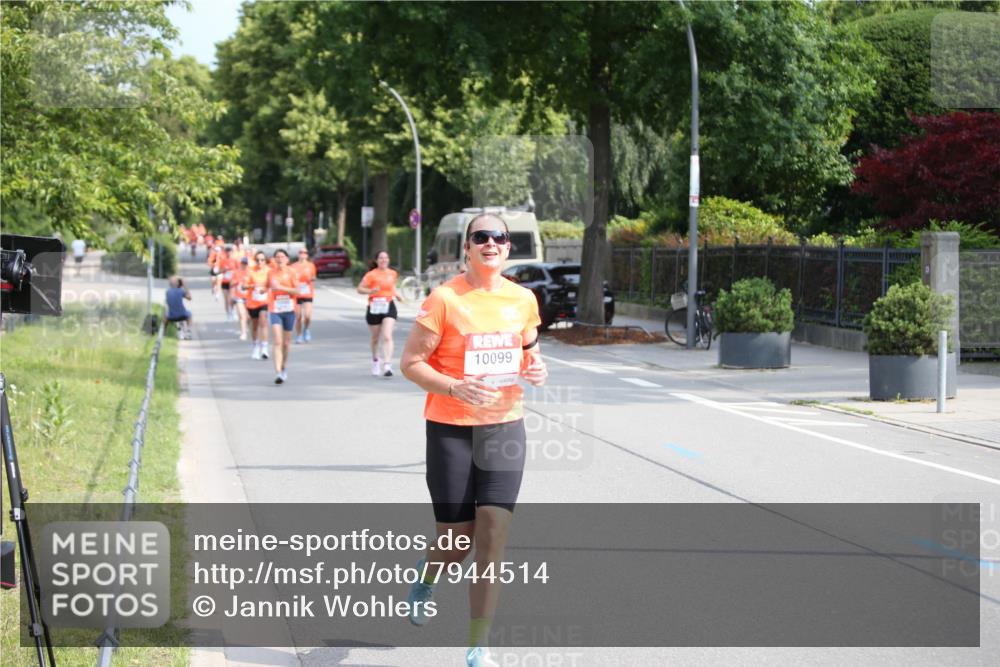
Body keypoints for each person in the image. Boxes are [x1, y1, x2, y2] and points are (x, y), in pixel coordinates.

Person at [400, 213, 548, 667]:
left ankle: (478, 646)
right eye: (480, 237)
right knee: (456, 542)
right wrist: (453, 386)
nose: (490, 243)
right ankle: (427, 578)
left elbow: (529, 353)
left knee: (493, 535)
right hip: (450, 428)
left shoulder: (523, 299)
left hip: (504, 426)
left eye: (498, 237)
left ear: (508, 247)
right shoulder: (444, 299)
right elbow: (410, 363)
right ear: (467, 247)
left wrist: (537, 369)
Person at [358, 250, 401, 377]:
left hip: (388, 305)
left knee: (387, 336)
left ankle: (387, 364)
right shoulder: (370, 275)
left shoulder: (393, 273)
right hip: (374, 307)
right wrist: (370, 290)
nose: (383, 260)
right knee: (375, 338)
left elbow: (392, 287)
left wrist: (397, 295)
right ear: (376, 260)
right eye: (381, 258)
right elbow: (359, 289)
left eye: (386, 258)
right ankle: (376, 360)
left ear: (388, 260)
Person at [267, 249, 298, 384]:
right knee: (277, 341)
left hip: (289, 310)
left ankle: (283, 366)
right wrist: (264, 289)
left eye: (282, 257)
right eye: (277, 257)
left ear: (287, 259)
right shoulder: (270, 273)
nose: (279, 259)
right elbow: (267, 286)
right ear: (274, 259)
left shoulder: (292, 272)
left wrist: (281, 288)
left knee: (286, 343)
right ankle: (278, 372)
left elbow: (297, 290)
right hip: (275, 309)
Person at [245, 250, 271, 360]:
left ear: (266, 261)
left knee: (263, 321)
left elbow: (272, 285)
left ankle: (264, 348)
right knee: (254, 326)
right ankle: (255, 346)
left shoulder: (270, 271)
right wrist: (252, 286)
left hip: (264, 301)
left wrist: (265, 289)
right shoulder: (251, 271)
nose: (260, 262)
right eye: (257, 260)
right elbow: (244, 286)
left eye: (262, 260)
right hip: (252, 302)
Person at [293, 247, 317, 343]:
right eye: (301, 252)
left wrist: (310, 278)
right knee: (298, 317)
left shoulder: (311, 265)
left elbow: (314, 277)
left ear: (307, 255)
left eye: (305, 252)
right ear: (298, 254)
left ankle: (306, 329)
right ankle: (299, 335)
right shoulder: (293, 266)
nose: (303, 254)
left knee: (307, 316)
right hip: (297, 294)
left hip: (307, 293)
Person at [230, 256, 251, 340]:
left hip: (249, 297)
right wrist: (236, 282)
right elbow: (231, 284)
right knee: (242, 315)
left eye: (246, 264)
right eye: (243, 263)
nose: (244, 265)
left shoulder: (250, 273)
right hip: (239, 296)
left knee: (248, 317)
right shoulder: (236, 272)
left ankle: (247, 327)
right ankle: (243, 333)